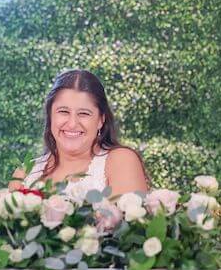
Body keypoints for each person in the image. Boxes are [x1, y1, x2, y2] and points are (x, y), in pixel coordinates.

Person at [9, 69, 148, 197]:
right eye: (63, 112)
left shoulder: (121, 160)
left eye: (84, 113)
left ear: (101, 120)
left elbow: (128, 222)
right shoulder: (25, 174)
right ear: (50, 116)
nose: (72, 124)